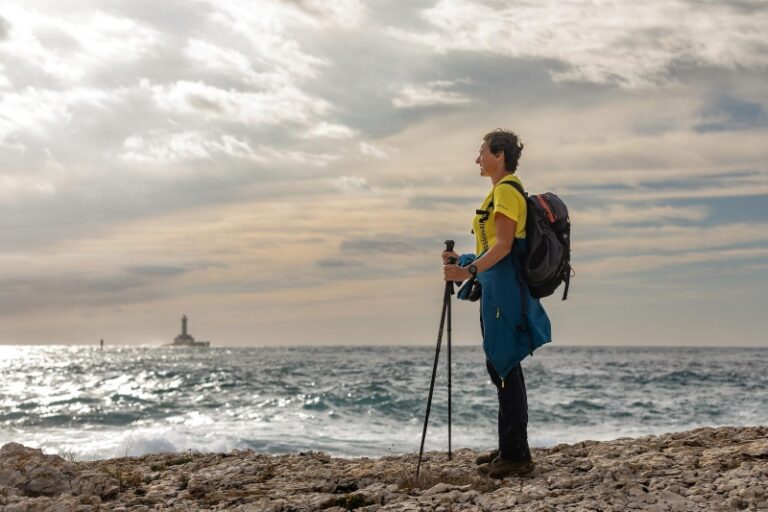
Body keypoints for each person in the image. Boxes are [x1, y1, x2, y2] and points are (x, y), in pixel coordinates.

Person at [442, 129, 552, 479]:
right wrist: (464, 261)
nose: (477, 159)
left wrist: (468, 271)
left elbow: (503, 247)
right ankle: (508, 446)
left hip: (505, 292)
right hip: (496, 290)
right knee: (499, 366)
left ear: (499, 154)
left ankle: (517, 456)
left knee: (505, 365)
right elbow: (494, 247)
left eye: (482, 152)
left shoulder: (506, 192)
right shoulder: (498, 194)